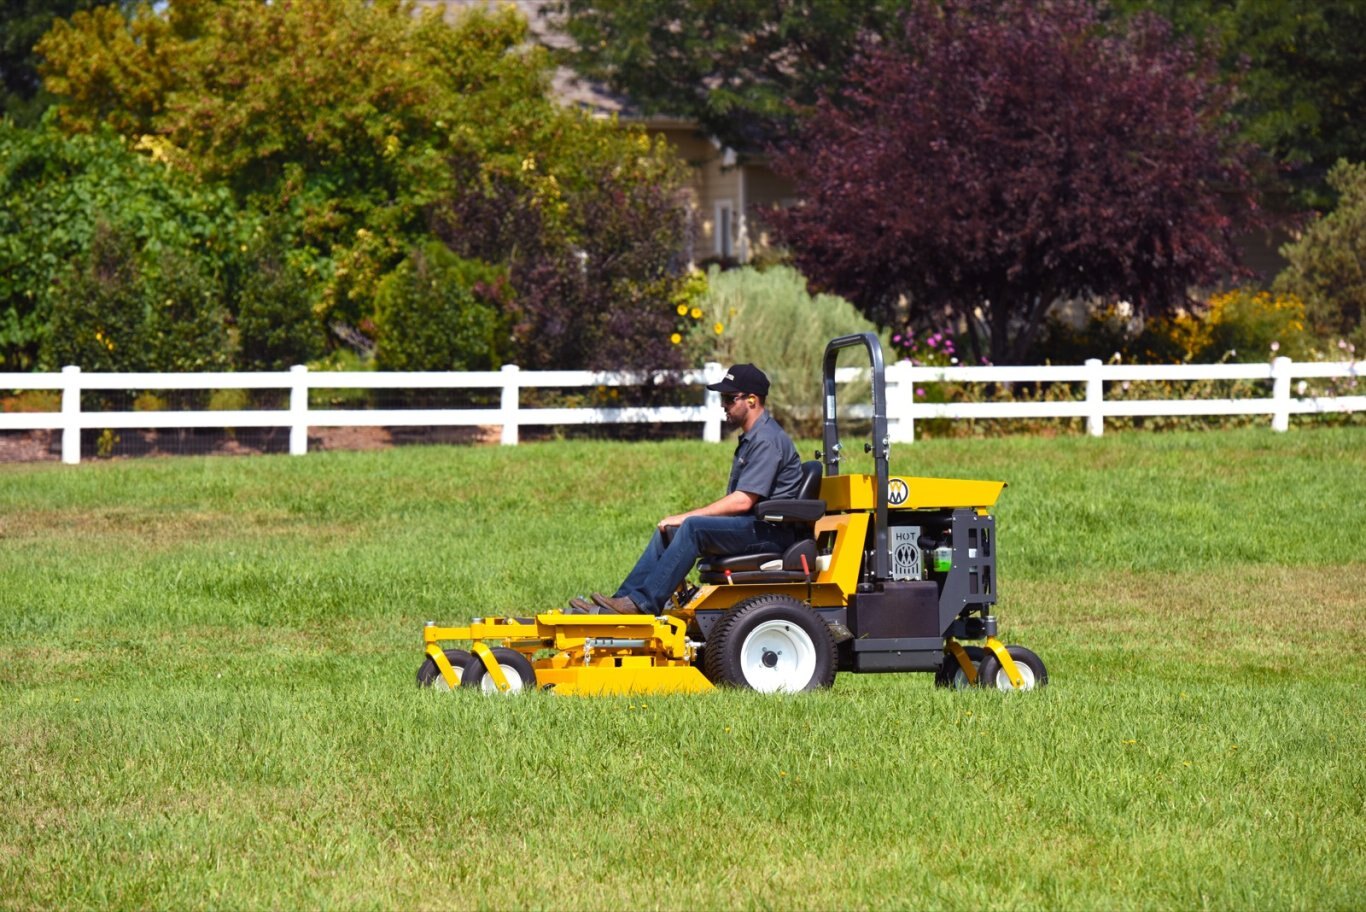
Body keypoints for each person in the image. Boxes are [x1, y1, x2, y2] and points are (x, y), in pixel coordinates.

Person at [571, 363, 805, 615]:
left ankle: (644, 603)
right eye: (722, 398)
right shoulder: (754, 438)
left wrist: (687, 517)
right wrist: (680, 521)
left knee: (692, 527)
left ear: (752, 400)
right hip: (752, 527)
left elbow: (742, 502)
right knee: (668, 530)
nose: (723, 405)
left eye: (729, 398)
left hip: (769, 533)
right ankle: (621, 604)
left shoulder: (767, 440)